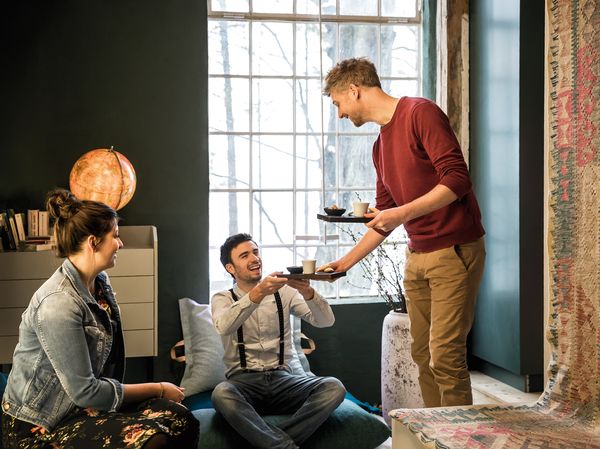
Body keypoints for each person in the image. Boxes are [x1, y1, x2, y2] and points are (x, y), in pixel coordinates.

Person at [321, 57, 486, 408]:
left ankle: (458, 439)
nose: (339, 113)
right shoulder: (380, 147)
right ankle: (434, 434)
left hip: (453, 251)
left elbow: (457, 180)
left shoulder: (420, 113)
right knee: (422, 355)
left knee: (445, 356)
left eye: (337, 103)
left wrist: (401, 213)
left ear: (354, 90)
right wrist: (343, 263)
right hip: (417, 256)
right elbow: (384, 220)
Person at [1, 189, 199, 449]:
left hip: (79, 407)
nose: (121, 243)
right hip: (40, 425)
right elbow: (87, 392)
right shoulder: (58, 304)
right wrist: (159, 387)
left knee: (182, 418)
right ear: (93, 242)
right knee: (155, 440)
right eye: (115, 236)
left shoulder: (98, 282)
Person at [211, 233, 346, 449]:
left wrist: (308, 291)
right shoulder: (222, 298)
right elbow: (225, 326)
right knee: (221, 394)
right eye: (244, 255)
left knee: (333, 387)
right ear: (230, 268)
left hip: (285, 381)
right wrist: (258, 292)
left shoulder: (284, 293)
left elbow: (325, 321)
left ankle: (275, 444)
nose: (254, 258)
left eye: (255, 252)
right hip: (243, 384)